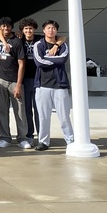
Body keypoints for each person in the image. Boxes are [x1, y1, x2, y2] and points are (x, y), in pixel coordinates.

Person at [32, 20, 74, 149]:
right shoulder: (38, 44)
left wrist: (48, 58)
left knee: (64, 116)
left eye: (53, 28)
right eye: (48, 28)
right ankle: (44, 142)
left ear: (56, 31)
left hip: (60, 85)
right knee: (43, 116)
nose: (51, 30)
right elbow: (39, 62)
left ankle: (71, 141)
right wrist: (53, 61)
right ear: (44, 30)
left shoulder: (63, 46)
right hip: (42, 85)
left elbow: (62, 59)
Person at [0, 17, 31, 149]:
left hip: (15, 81)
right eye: (3, 26)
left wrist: (19, 85)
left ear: (11, 27)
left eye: (8, 26)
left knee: (19, 111)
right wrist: (4, 43)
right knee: (2, 110)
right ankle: (5, 138)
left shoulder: (17, 41)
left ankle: (22, 138)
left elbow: (22, 64)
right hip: (0, 79)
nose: (5, 28)